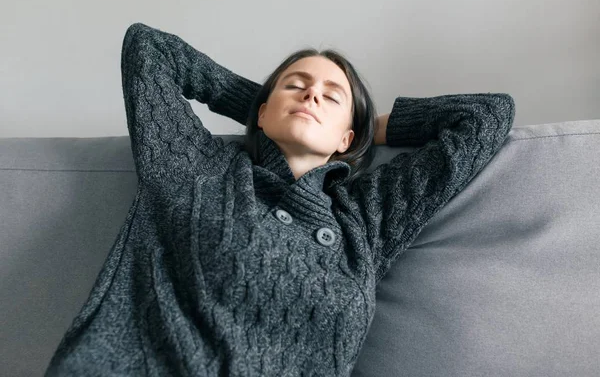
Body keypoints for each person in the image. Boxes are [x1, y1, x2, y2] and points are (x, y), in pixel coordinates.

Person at [44, 22, 515, 376]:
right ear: (263, 110)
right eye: (296, 84)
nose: (312, 93)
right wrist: (261, 107)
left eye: (333, 97)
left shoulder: (367, 218)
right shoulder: (193, 167)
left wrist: (372, 130)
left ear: (346, 137)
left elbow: (487, 116)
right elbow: (148, 48)